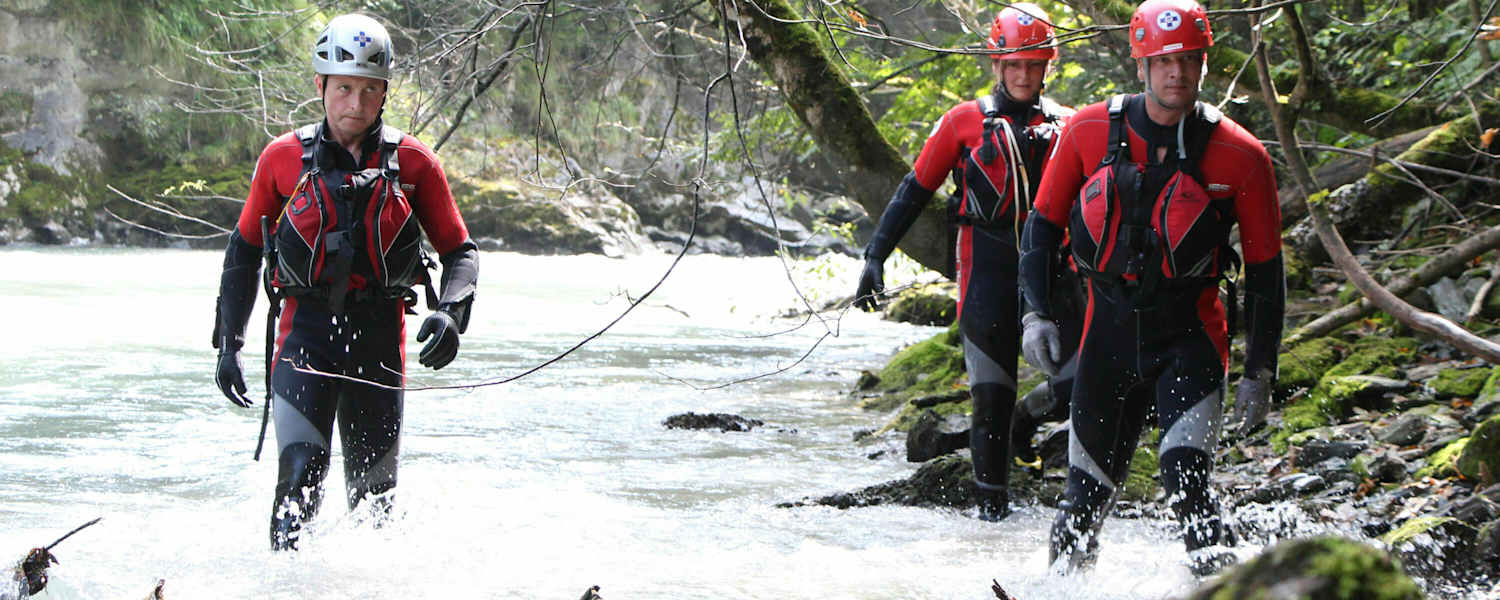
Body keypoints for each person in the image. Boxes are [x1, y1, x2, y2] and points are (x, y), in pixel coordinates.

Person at [1017, 0, 1285, 576]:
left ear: (1205, 65)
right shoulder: (1088, 130)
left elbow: (1266, 273)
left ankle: (1225, 589)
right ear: (1141, 64)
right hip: (1105, 341)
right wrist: (1035, 315)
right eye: (1164, 61)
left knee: (1186, 483)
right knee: (1079, 506)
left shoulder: (1243, 156)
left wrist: (1259, 374)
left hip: (1190, 340)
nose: (1177, 73)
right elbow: (1040, 229)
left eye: (1189, 60)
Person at [211, 13, 480, 551]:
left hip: (379, 343)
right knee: (297, 486)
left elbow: (461, 254)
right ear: (321, 86)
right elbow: (242, 251)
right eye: (344, 88)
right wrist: (228, 343)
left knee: (375, 502)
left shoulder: (415, 163)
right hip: (303, 340)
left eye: (369, 90)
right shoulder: (282, 159)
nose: (355, 103)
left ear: (384, 92)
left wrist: (451, 314)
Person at [854, 3, 1080, 521]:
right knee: (990, 401)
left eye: (1034, 64)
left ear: (1048, 65)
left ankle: (1030, 416)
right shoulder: (962, 122)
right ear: (996, 64)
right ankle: (989, 517)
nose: (1024, 76)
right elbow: (914, 192)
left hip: (1056, 276)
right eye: (1014, 65)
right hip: (987, 276)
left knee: (1082, 381)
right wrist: (875, 255)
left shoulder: (1071, 125)